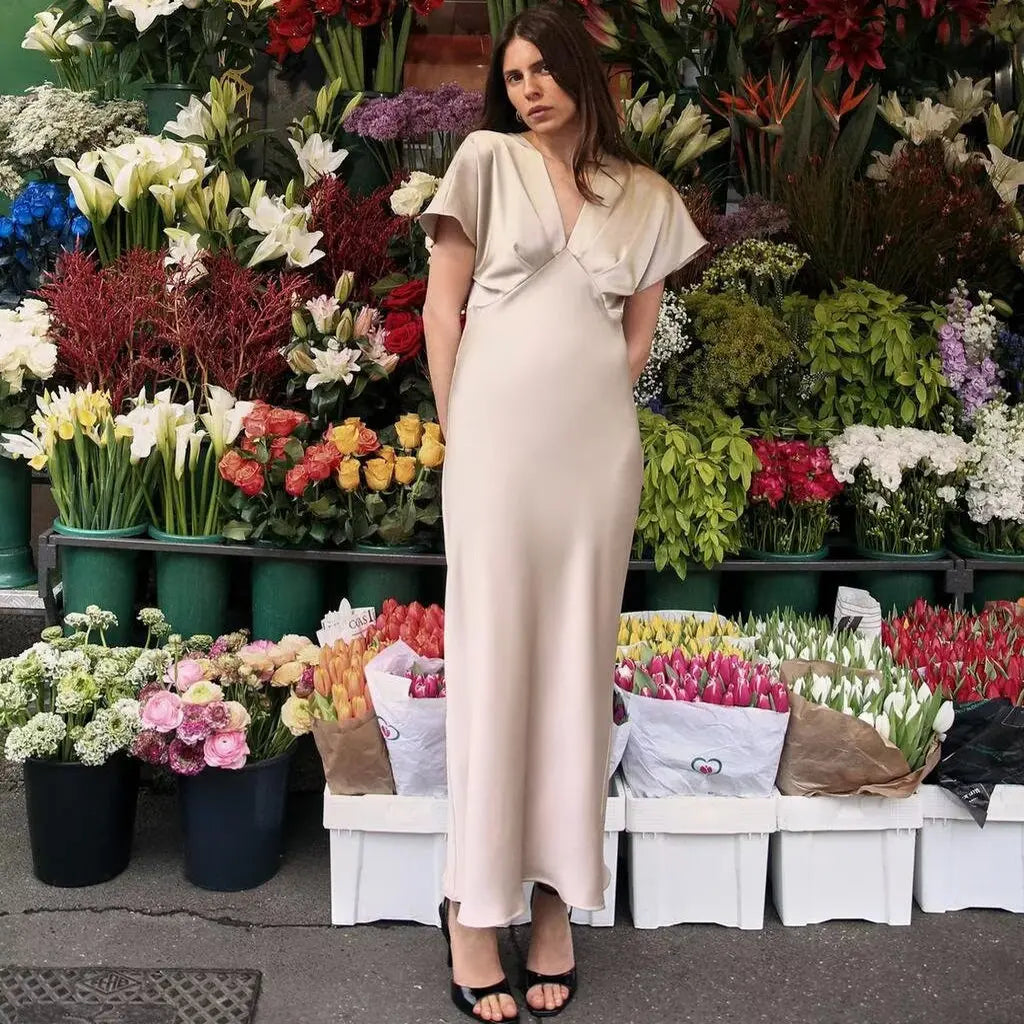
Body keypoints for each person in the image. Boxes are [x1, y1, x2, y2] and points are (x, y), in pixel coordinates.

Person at [419, 5, 707, 1020]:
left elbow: (637, 339)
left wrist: (583, 410)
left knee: (577, 672)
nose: (529, 88)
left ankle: (553, 903)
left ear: (582, 74)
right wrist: (461, 428)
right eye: (514, 74)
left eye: (544, 69)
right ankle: (471, 906)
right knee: (493, 664)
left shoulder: (647, 196)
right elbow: (442, 309)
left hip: (594, 461)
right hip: (493, 452)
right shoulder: (486, 162)